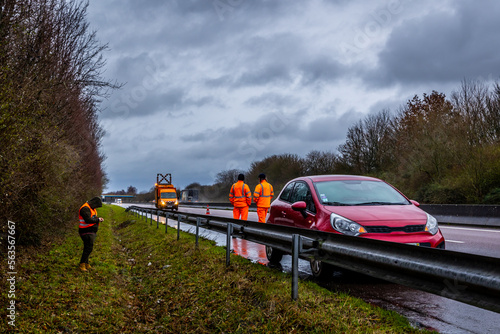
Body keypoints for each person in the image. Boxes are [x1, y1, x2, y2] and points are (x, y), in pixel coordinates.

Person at [78, 196, 104, 272]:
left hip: (90, 231)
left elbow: (93, 217)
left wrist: (98, 219)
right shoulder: (85, 208)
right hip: (86, 231)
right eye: (96, 206)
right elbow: (88, 220)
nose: (96, 207)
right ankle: (82, 264)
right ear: (94, 203)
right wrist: (98, 220)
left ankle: (86, 263)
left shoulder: (91, 208)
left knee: (88, 247)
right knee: (88, 248)